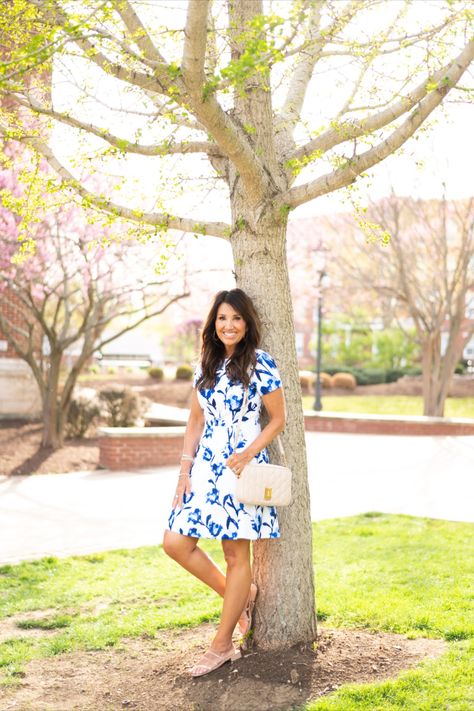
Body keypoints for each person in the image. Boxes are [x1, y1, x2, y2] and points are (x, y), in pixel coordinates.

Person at [163, 288, 286, 677]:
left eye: (236, 318)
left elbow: (278, 419)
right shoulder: (206, 364)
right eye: (221, 318)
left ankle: (221, 645)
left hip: (241, 470)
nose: (228, 325)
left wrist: (249, 453)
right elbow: (195, 423)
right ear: (213, 325)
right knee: (175, 543)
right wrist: (184, 473)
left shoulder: (261, 363)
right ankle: (241, 595)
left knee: (236, 555)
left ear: (246, 323)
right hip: (205, 470)